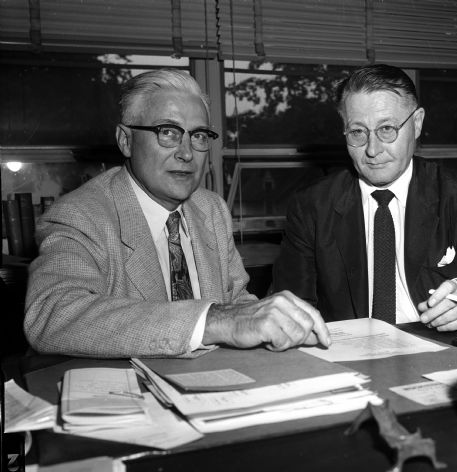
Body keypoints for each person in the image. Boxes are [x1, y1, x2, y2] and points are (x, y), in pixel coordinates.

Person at [24, 68, 330, 358]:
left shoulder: (211, 209)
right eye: (168, 132)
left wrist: (273, 325)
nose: (186, 153)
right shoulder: (81, 214)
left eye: (197, 136)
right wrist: (212, 320)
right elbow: (52, 314)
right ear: (126, 140)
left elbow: (238, 305)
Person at [273, 64, 457, 331]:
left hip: (435, 347)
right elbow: (291, 305)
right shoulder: (312, 206)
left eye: (387, 129)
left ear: (416, 124)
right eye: (358, 132)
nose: (372, 150)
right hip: (349, 355)